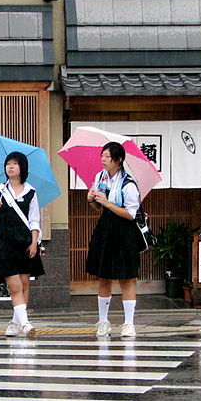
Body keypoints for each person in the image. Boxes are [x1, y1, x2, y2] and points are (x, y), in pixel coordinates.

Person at [0, 151, 44, 336]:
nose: (10, 167)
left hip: (24, 243)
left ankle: (15, 322)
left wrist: (34, 243)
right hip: (3, 243)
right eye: (8, 163)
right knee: (15, 286)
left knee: (25, 284)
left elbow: (34, 221)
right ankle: (26, 324)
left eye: (15, 163)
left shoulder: (31, 192)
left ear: (22, 167)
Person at [85, 141, 140, 338]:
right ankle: (103, 321)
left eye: (107, 156)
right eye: (102, 155)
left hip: (124, 231)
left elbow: (131, 214)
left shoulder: (128, 184)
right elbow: (97, 208)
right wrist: (92, 199)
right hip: (105, 229)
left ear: (119, 160)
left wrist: (107, 203)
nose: (103, 160)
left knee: (126, 277)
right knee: (104, 276)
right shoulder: (100, 177)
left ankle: (129, 323)